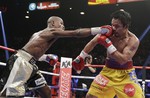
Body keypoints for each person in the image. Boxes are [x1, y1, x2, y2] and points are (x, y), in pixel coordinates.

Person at [0, 16, 112, 97]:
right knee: (10, 94)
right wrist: (100, 30)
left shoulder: (37, 34)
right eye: (61, 23)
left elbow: (31, 52)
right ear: (53, 23)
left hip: (30, 64)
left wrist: (46, 57)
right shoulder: (51, 31)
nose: (63, 26)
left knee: (46, 92)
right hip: (21, 63)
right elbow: (76, 33)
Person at [72, 10, 144, 98]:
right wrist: (81, 56)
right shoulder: (108, 32)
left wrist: (108, 44)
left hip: (125, 75)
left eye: (117, 26)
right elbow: (93, 42)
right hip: (107, 71)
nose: (113, 28)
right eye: (112, 24)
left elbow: (123, 60)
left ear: (126, 26)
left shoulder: (133, 40)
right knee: (90, 96)